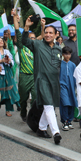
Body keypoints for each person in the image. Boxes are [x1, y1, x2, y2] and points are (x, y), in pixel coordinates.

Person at [22, 16, 63, 145]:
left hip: (54, 82)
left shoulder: (58, 49)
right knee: (49, 105)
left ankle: (41, 128)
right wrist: (27, 27)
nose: (48, 34)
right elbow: (24, 41)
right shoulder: (38, 44)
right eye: (46, 32)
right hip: (42, 80)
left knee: (49, 106)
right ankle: (56, 132)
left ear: (56, 35)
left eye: (51, 33)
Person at [12, 12, 36, 123]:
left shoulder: (36, 47)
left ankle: (33, 116)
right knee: (23, 99)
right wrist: (14, 18)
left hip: (34, 76)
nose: (32, 39)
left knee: (35, 98)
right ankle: (23, 112)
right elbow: (17, 30)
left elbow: (41, 36)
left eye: (34, 38)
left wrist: (43, 27)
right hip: (24, 76)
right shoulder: (22, 47)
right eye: (30, 38)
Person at [0, 37, 20, 117]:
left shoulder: (7, 51)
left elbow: (12, 61)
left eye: (1, 41)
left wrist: (8, 61)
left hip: (8, 72)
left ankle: (8, 110)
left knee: (9, 91)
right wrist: (1, 61)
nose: (0, 42)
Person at [59, 46, 77, 131]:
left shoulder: (72, 65)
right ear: (62, 54)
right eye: (66, 54)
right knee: (65, 103)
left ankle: (69, 120)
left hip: (71, 86)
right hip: (62, 86)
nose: (67, 56)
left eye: (69, 54)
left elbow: (76, 76)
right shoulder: (60, 64)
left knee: (71, 103)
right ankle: (64, 121)